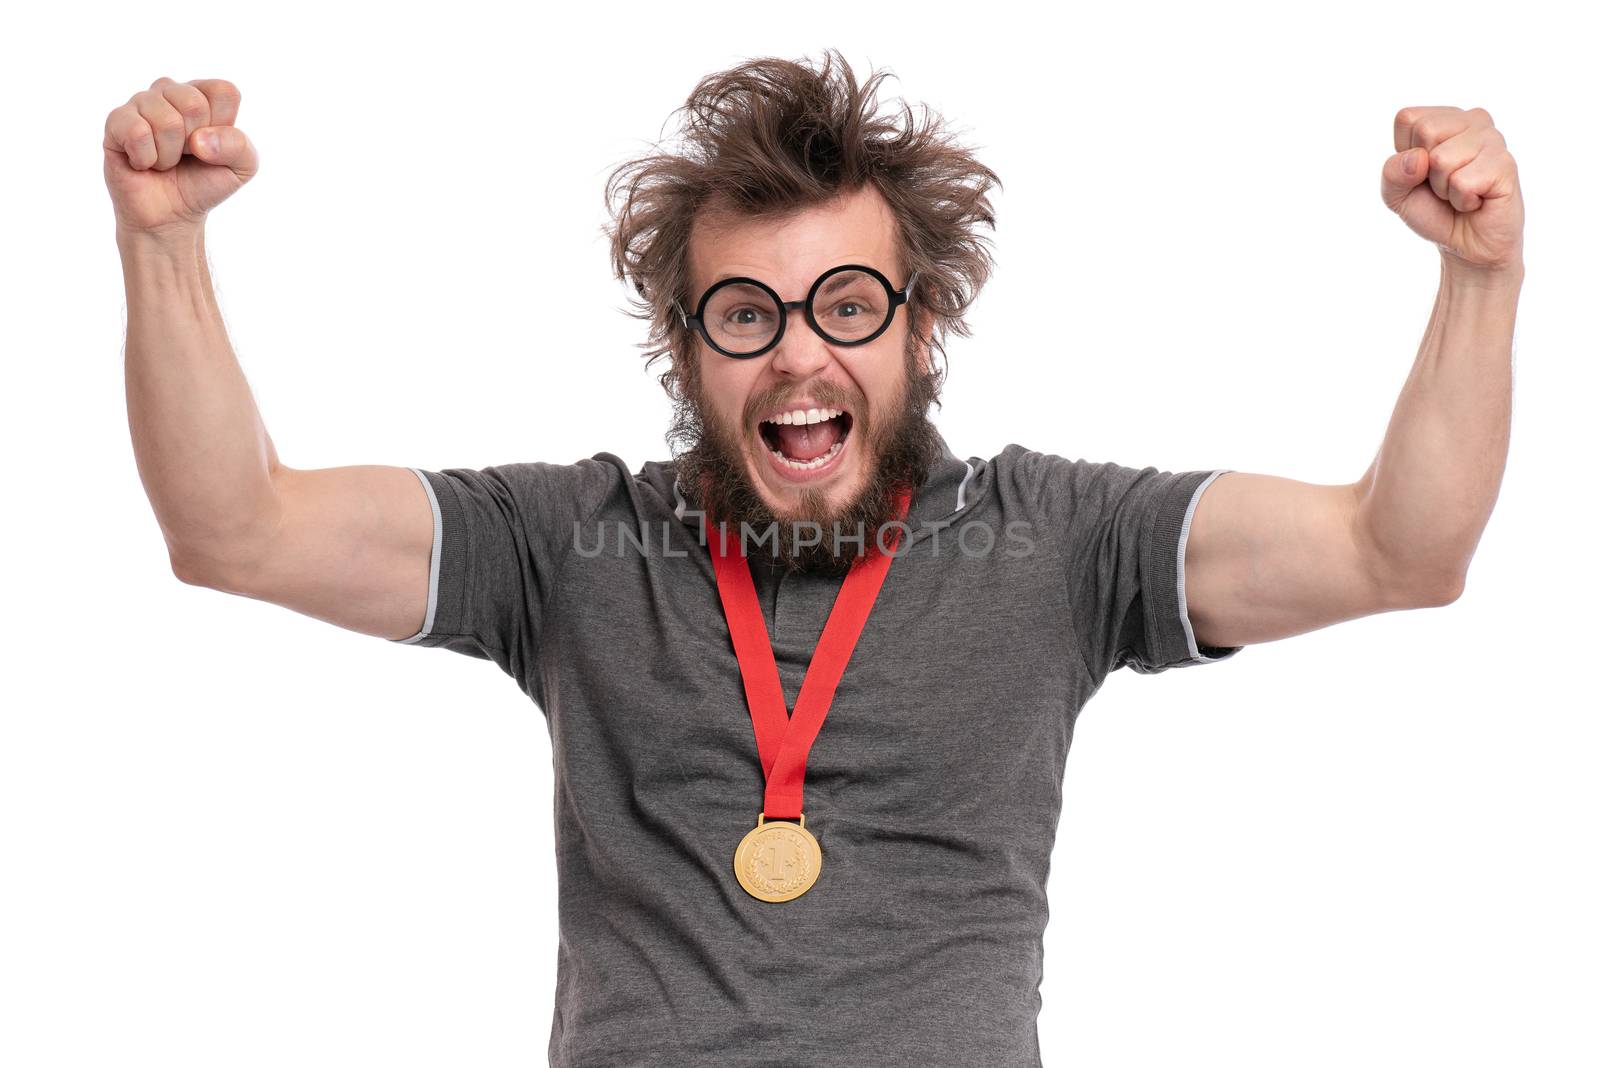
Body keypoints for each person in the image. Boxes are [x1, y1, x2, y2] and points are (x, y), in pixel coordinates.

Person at [105, 50, 1524, 1068]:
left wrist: (1479, 282)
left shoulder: (1061, 543)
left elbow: (1399, 548)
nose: (799, 354)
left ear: (921, 327)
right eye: (745, 314)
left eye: (847, 305)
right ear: (685, 346)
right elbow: (234, 529)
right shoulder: (569, 547)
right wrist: (162, 248)